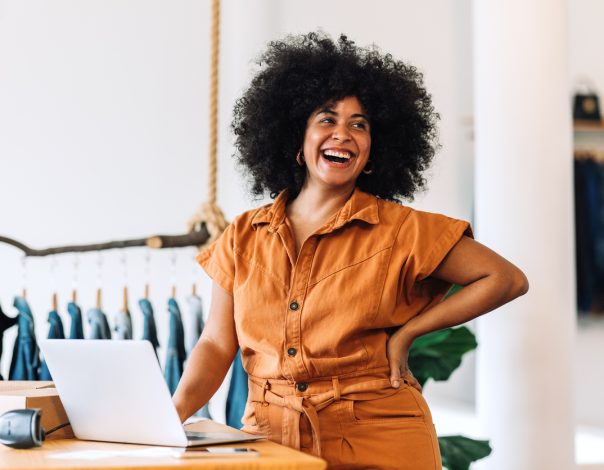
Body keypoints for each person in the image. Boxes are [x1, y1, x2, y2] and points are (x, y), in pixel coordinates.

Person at [173, 32, 528, 469]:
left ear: (374, 152)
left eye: (359, 125)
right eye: (327, 119)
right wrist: (173, 415)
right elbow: (214, 343)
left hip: (380, 438)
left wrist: (410, 332)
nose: (343, 134)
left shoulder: (402, 230)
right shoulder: (243, 234)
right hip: (270, 439)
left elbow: (505, 278)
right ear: (295, 139)